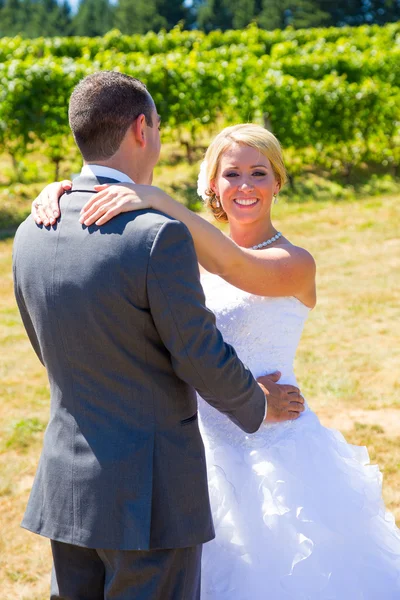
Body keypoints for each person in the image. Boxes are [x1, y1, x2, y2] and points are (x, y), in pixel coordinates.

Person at [35, 122, 400, 598]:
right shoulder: (178, 251)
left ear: (278, 182)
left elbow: (233, 264)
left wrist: (153, 197)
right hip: (191, 447)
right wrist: (65, 191)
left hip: (273, 442)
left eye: (259, 173)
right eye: (232, 174)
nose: (245, 186)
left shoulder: (295, 261)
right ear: (211, 184)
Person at [14, 73, 305, 600]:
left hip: (70, 488)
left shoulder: (35, 226)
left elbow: (48, 345)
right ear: (142, 129)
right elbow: (196, 350)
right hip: (152, 490)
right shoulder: (158, 236)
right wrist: (256, 404)